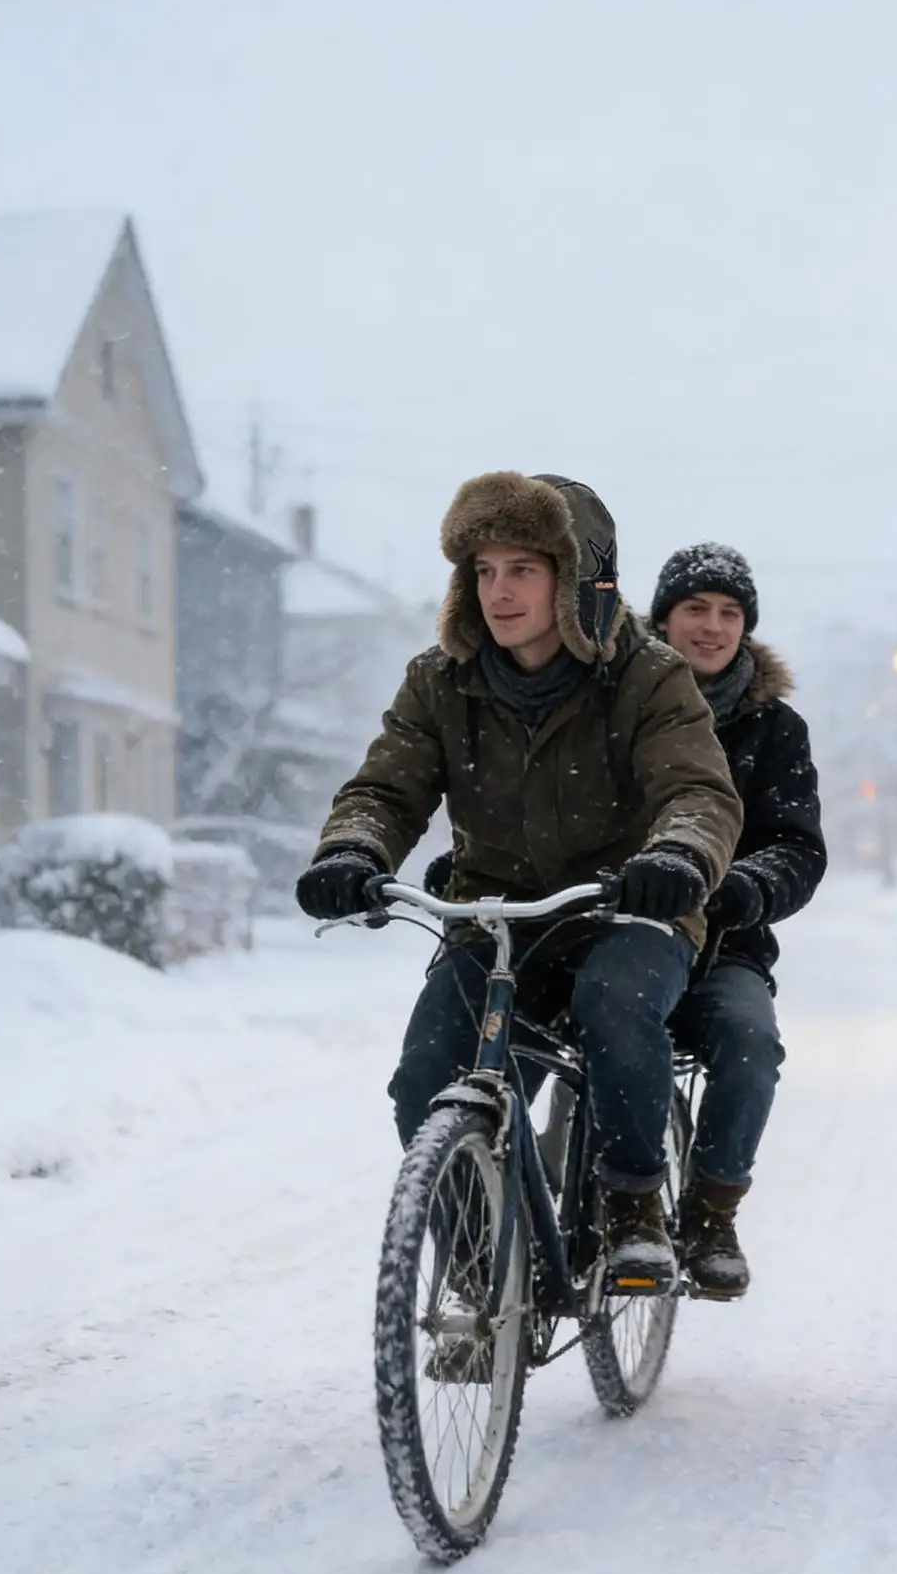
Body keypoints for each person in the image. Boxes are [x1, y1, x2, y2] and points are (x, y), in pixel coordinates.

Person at [295, 473, 742, 1288]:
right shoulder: (439, 679)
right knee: (425, 1077)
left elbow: (696, 790)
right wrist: (351, 851)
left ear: (575, 579)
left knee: (616, 1005)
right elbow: (385, 789)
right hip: (497, 916)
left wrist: (675, 857)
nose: (498, 592)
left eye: (522, 569)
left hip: (626, 908)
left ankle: (631, 1202)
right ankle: (478, 1279)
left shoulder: (648, 676)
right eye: (483, 570)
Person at [648, 542, 826, 1298]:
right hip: (614, 930)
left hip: (723, 943)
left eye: (729, 613)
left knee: (750, 1043)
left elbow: (797, 844)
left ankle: (711, 1209)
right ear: (662, 620)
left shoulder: (774, 729)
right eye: (696, 609)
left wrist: (745, 889)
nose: (713, 627)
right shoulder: (615, 704)